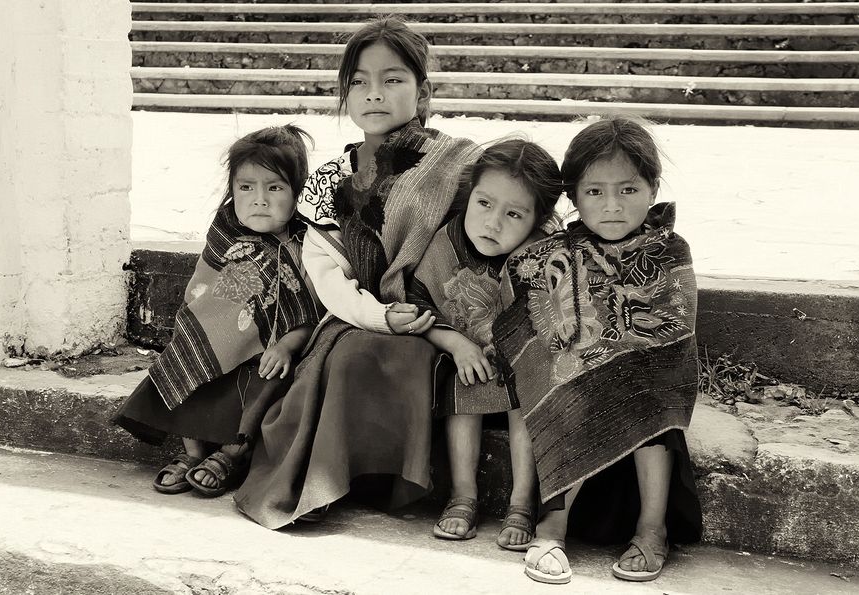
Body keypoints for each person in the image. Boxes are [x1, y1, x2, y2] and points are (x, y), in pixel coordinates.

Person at [233, 16, 481, 529]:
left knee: (402, 356)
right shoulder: (332, 176)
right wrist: (378, 314)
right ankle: (325, 482)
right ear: (344, 95)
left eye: (393, 80)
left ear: (423, 91)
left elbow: (472, 246)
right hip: (360, 312)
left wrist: (431, 323)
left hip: (436, 315)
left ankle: (386, 482)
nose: (374, 94)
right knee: (350, 354)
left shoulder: (457, 164)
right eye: (358, 83)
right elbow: (326, 271)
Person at [494, 116, 702, 584]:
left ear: (652, 188)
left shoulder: (669, 250)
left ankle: (652, 529)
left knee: (648, 385)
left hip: (646, 405)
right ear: (572, 198)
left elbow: (671, 338)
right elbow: (533, 330)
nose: (612, 206)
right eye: (594, 192)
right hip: (576, 401)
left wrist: (615, 360)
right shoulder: (550, 255)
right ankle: (553, 525)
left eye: (628, 190)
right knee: (571, 380)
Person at [111, 125, 322, 498]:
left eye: (274, 188)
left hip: (274, 355)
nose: (260, 200)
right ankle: (192, 452)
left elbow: (312, 311)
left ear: (297, 192)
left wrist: (286, 345)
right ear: (232, 191)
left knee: (270, 377)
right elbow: (208, 300)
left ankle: (232, 453)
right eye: (246, 187)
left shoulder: (310, 244)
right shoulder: (225, 234)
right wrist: (213, 334)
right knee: (193, 353)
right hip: (218, 345)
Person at [406, 139, 562, 550]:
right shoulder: (445, 243)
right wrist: (457, 344)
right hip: (470, 364)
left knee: (528, 385)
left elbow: (557, 321)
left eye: (514, 214)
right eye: (484, 203)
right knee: (465, 379)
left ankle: (522, 502)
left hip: (524, 373)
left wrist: (517, 352)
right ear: (469, 195)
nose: (493, 224)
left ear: (538, 220)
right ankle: (463, 495)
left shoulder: (545, 255)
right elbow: (419, 307)